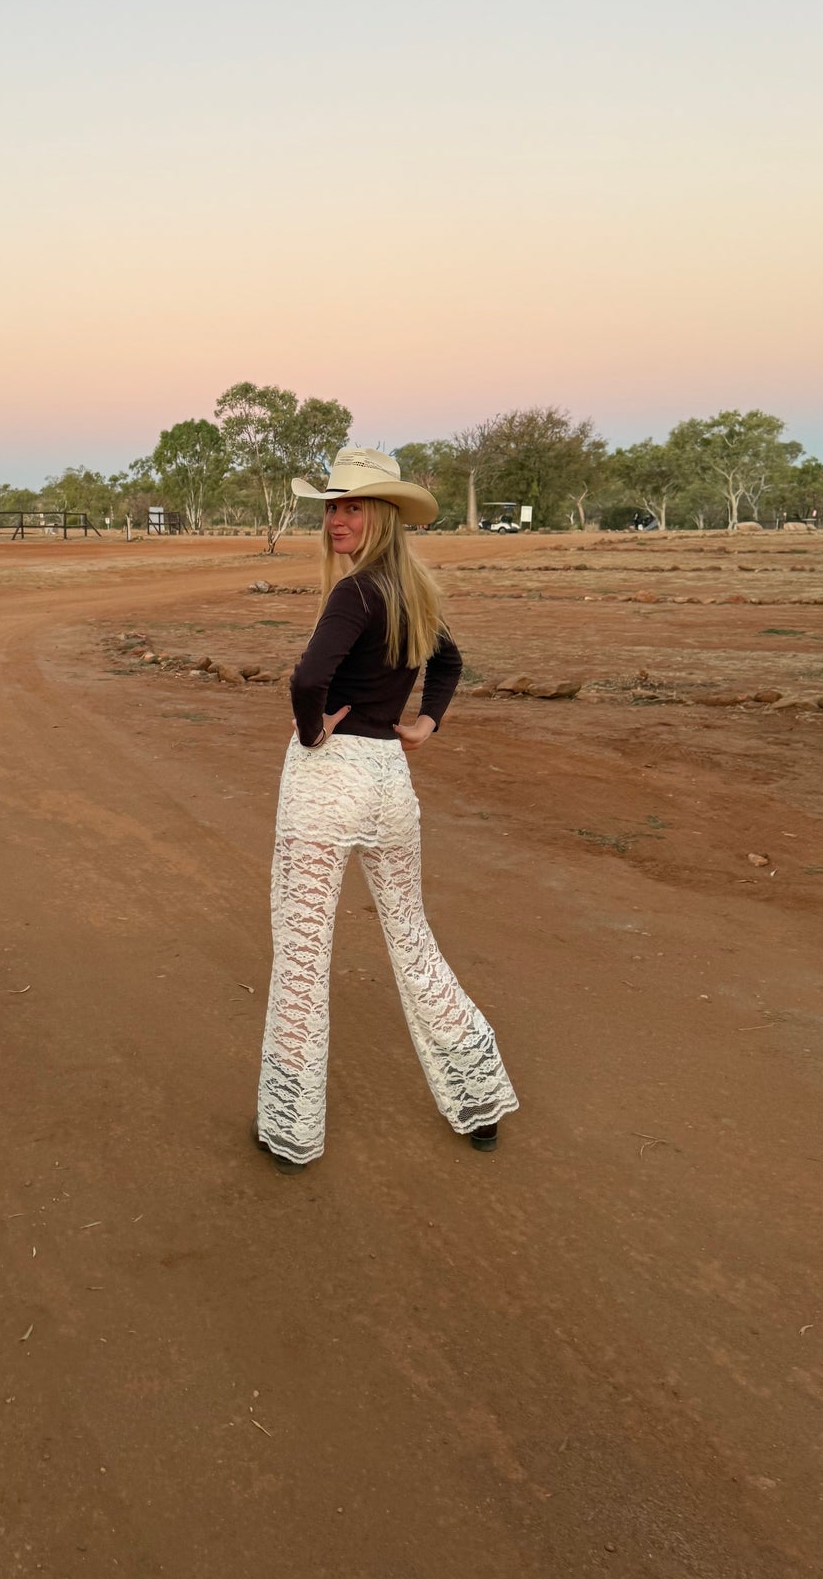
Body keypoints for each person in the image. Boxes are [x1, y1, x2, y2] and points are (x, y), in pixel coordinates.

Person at [254, 447, 519, 1171]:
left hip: (326, 782)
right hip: (388, 785)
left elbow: (308, 678)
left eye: (350, 506)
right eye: (332, 506)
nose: (336, 518)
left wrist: (311, 731)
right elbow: (449, 661)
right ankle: (479, 1100)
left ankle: (292, 1128)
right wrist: (425, 721)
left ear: (383, 517)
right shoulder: (411, 593)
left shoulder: (353, 593)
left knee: (302, 955)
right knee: (410, 937)